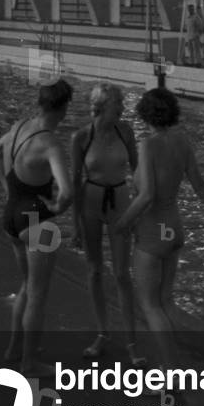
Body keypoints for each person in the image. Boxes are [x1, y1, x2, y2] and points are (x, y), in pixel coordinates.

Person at [115, 87, 204, 369]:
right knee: (165, 301)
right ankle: (171, 364)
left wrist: (121, 225)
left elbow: (146, 195)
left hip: (152, 233)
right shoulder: (182, 141)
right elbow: (200, 185)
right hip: (173, 230)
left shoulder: (148, 145)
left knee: (151, 306)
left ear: (145, 114)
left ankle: (170, 374)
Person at [0, 79, 73, 373]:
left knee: (26, 286)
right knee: (37, 294)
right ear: (64, 109)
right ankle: (29, 363)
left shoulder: (20, 125)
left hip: (11, 215)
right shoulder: (50, 143)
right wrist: (58, 207)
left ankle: (15, 349)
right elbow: (67, 191)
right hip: (38, 222)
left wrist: (6, 187)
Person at [71, 83, 141, 364]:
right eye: (118, 105)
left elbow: (137, 172)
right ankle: (102, 333)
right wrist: (75, 225)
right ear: (102, 107)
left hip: (121, 202)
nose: (123, 109)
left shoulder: (126, 131)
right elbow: (75, 183)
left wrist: (138, 211)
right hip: (90, 202)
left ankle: (133, 342)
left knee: (123, 274)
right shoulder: (81, 138)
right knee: (94, 271)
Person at [183, 2, 204, 66]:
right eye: (189, 9)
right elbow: (187, 28)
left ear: (194, 9)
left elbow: (201, 28)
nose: (191, 10)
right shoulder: (188, 18)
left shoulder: (196, 17)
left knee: (196, 51)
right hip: (189, 37)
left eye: (192, 9)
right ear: (188, 10)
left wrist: (197, 35)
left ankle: (198, 63)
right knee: (190, 51)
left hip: (195, 37)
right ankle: (191, 62)